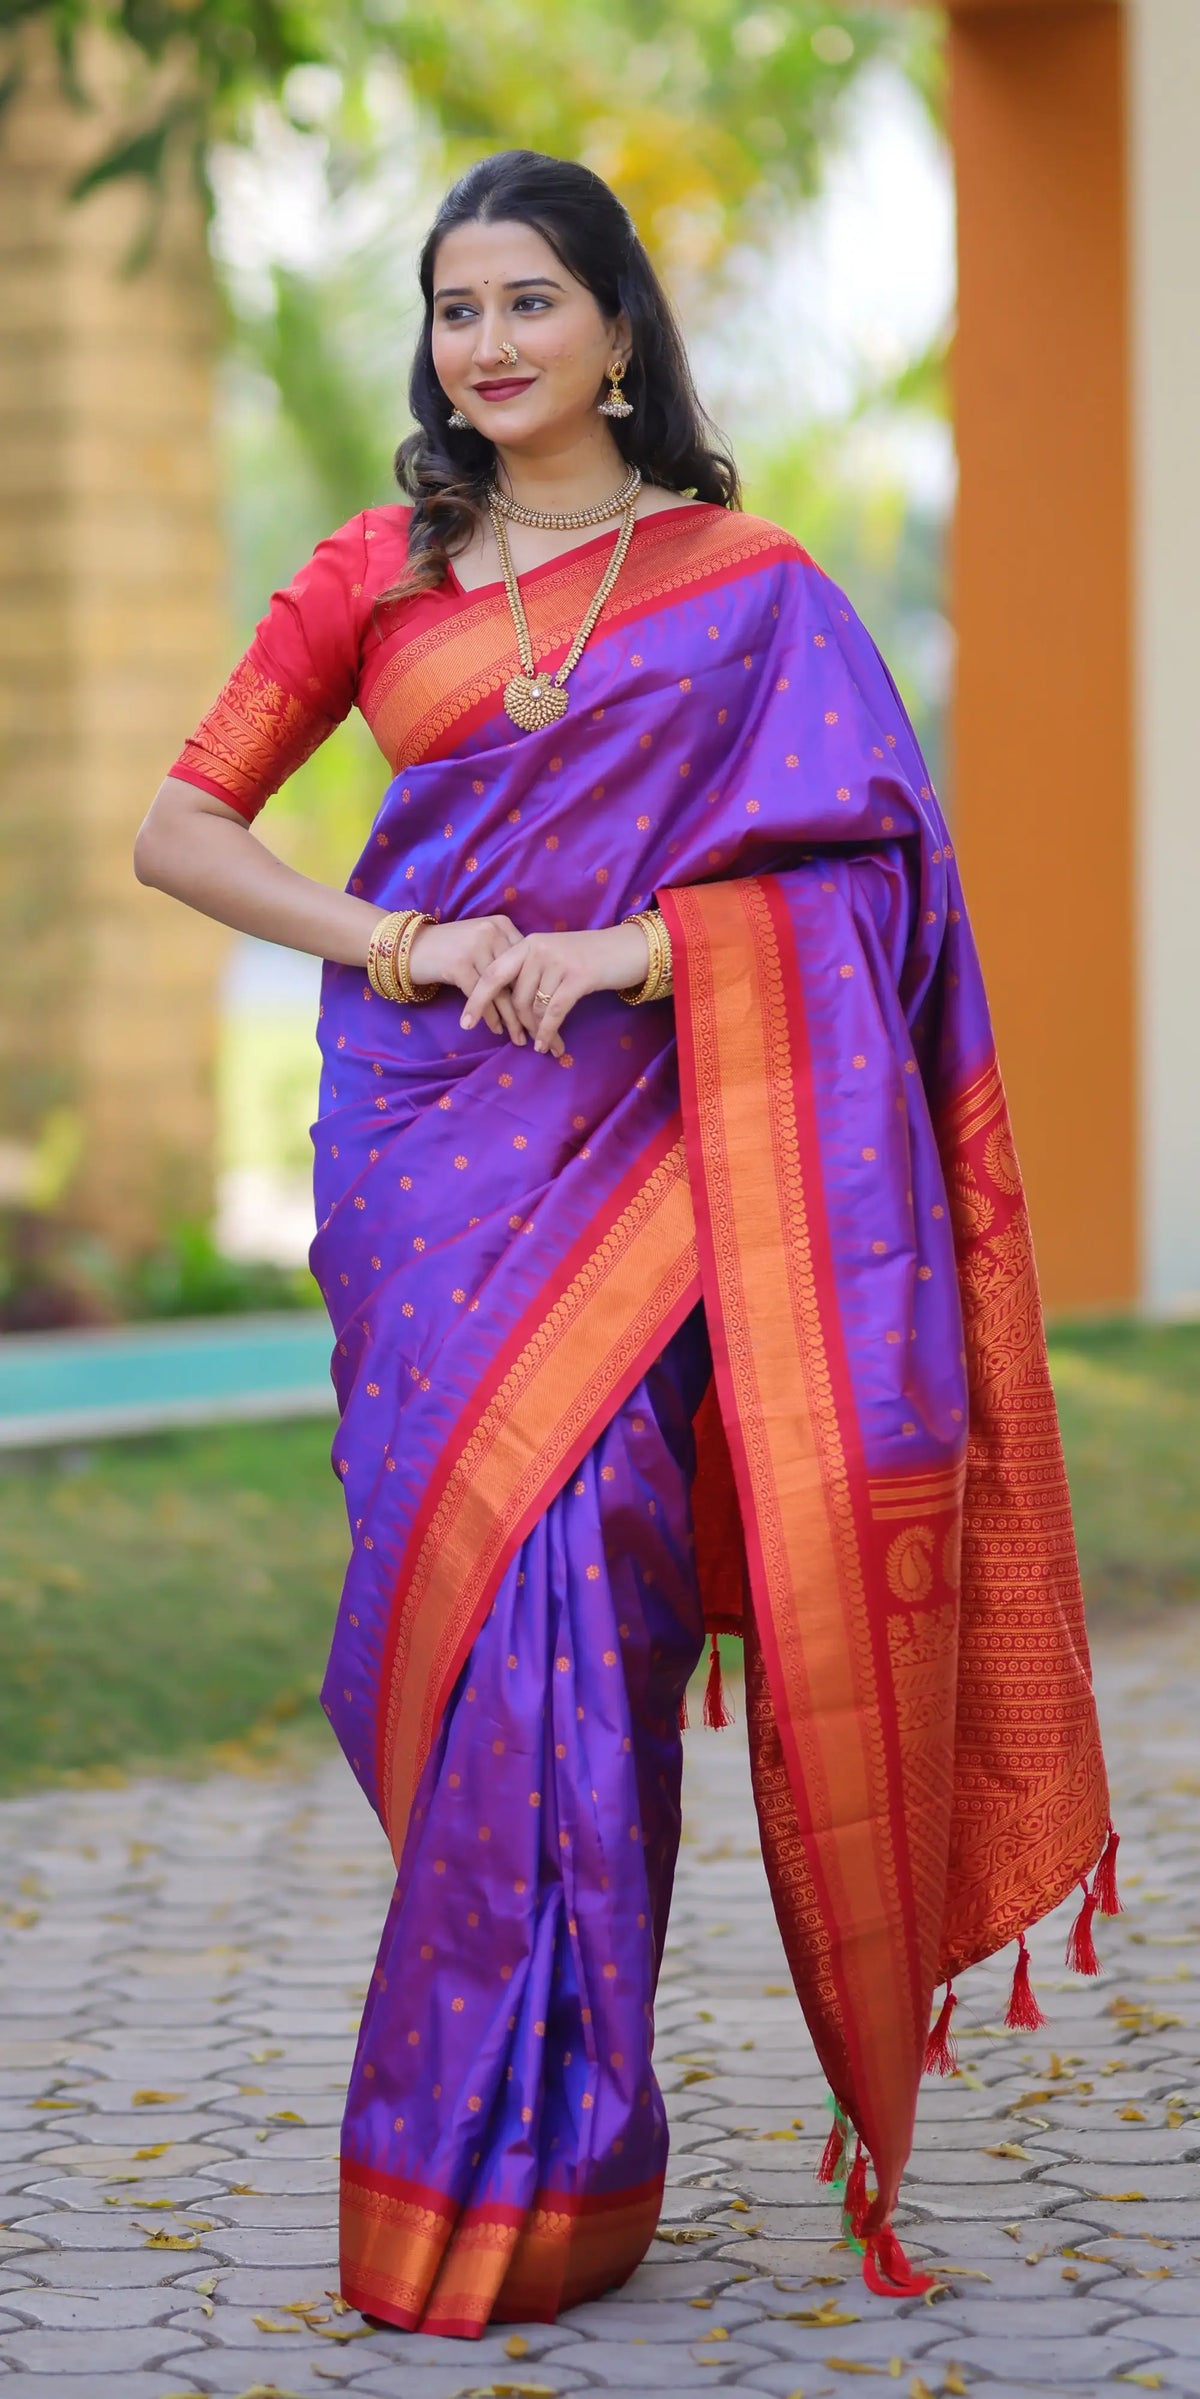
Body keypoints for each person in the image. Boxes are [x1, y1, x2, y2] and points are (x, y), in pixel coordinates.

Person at [135, 148, 1115, 2338]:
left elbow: (874, 891)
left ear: (617, 326)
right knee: (475, 1623)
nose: (487, 345)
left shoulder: (751, 588)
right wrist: (400, 935)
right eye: (455, 307)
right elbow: (177, 830)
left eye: (529, 303)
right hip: (431, 1150)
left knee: (593, 1603)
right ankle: (488, 2142)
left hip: (665, 1153)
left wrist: (629, 959)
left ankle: (556, 2158)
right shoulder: (375, 572)